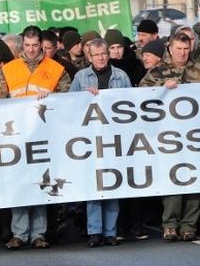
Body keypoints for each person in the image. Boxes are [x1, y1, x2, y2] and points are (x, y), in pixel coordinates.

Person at [0, 26, 71, 250]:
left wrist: (52, 97)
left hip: (44, 135)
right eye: (27, 45)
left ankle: (38, 233)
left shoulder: (56, 69)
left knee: (40, 182)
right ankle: (19, 233)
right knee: (19, 184)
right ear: (22, 44)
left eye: (35, 45)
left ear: (41, 44)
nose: (32, 49)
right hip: (17, 135)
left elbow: (69, 99)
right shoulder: (10, 69)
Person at [140, 33, 200, 242]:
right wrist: (162, 89)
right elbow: (140, 98)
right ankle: (170, 224)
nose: (182, 53)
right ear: (170, 49)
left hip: (197, 134)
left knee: (195, 179)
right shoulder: (157, 72)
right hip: (169, 136)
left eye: (185, 49)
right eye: (178, 49)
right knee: (173, 179)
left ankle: (189, 225)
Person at [70, 38, 132, 247]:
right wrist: (84, 98)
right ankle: (94, 231)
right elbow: (69, 106)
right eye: (96, 55)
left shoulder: (121, 76)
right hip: (90, 139)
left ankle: (110, 232)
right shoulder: (80, 77)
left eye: (103, 53)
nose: (101, 58)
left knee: (113, 184)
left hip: (114, 138)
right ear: (89, 57)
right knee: (94, 185)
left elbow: (131, 105)